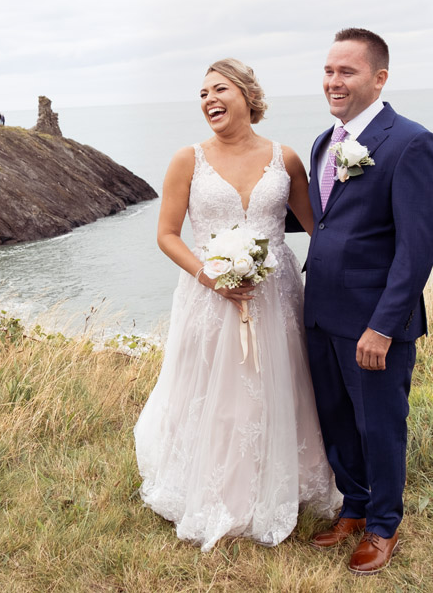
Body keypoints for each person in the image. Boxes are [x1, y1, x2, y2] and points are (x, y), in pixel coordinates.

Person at [134, 58, 340, 552]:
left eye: (219, 89)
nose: (209, 100)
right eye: (202, 94)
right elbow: (166, 235)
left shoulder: (285, 158)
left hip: (276, 295)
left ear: (247, 94)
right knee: (219, 391)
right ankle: (220, 491)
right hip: (210, 294)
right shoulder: (188, 159)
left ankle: (286, 482)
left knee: (281, 382)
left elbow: (321, 230)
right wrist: (210, 275)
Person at [295, 28, 433, 574]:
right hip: (320, 314)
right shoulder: (322, 143)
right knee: (335, 418)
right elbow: (325, 221)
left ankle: (384, 525)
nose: (333, 81)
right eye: (329, 71)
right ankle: (354, 508)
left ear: (379, 77)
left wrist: (383, 326)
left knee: (380, 424)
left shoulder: (412, 143)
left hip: (373, 322)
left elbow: (417, 248)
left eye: (347, 72)